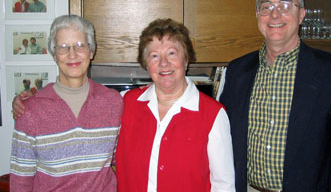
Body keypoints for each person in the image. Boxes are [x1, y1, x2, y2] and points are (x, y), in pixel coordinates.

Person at [219, 0, 331, 192]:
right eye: (266, 6)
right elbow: (222, 141)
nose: (275, 14)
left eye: (285, 5)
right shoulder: (237, 72)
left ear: (301, 14)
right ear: (258, 15)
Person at [115, 18, 235, 192]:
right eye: (154, 56)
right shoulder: (125, 103)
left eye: (172, 53)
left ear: (186, 60)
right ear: (146, 64)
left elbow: (224, 185)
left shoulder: (213, 114)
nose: (164, 63)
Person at [10, 14, 123, 192]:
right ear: (54, 55)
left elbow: (124, 157)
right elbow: (20, 181)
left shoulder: (113, 102)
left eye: (80, 45)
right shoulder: (29, 110)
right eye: (63, 47)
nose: (72, 54)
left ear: (91, 51)